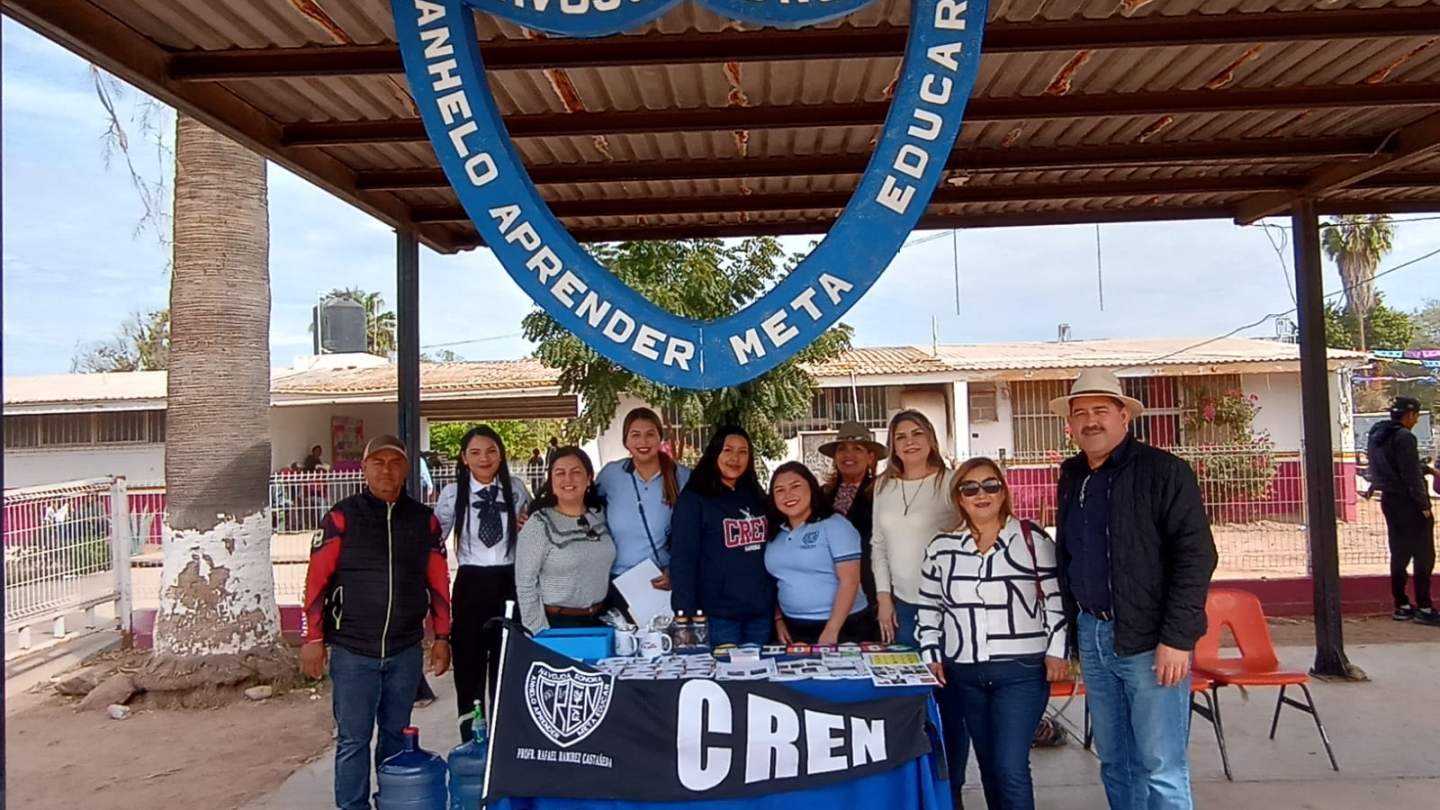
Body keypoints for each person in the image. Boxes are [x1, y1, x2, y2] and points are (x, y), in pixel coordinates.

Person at [1051, 369, 1217, 810]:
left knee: (1160, 765)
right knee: (1115, 761)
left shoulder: (1164, 472)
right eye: (1080, 413)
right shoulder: (1073, 476)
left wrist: (1177, 639)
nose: (1090, 421)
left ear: (1124, 416)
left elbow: (1196, 557)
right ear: (1069, 425)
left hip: (1149, 641)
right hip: (1093, 635)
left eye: (1101, 411)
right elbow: (1069, 556)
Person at [301, 435, 452, 810]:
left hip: (404, 651)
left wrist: (442, 636)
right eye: (378, 462)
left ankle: (392, 802)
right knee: (352, 740)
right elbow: (317, 581)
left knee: (395, 737)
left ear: (406, 469)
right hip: (353, 651)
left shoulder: (424, 521)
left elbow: (438, 583)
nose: (387, 470)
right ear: (365, 468)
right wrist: (313, 638)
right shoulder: (341, 517)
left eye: (396, 462)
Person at [919, 458, 1069, 810]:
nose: (981, 494)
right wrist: (931, 654)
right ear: (958, 497)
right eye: (969, 488)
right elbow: (929, 609)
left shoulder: (1032, 540)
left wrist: (1058, 650)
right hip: (964, 673)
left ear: (1004, 491)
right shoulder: (942, 548)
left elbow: (1056, 601)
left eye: (990, 485)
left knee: (1010, 766)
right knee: (988, 768)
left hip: (1021, 672)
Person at [434, 426, 532, 741]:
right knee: (469, 665)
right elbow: (435, 541)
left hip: (509, 583)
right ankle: (472, 740)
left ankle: (507, 741)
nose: (484, 458)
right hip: (471, 584)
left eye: (490, 451)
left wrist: (526, 526)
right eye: (475, 453)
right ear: (464, 459)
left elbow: (530, 531)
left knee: (507, 666)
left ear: (500, 453)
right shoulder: (452, 494)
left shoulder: (515, 489)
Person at [670, 425, 773, 646]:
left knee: (761, 678)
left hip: (760, 614)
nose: (735, 458)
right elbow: (683, 559)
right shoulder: (694, 499)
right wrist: (684, 615)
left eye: (743, 452)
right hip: (719, 617)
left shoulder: (756, 495)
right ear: (715, 453)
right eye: (728, 450)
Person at [872, 409, 958, 646]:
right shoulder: (882, 486)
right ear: (894, 446)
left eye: (917, 433)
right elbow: (878, 546)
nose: (909, 441)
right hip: (902, 604)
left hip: (946, 603)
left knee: (946, 678)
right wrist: (884, 598)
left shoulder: (951, 482)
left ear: (931, 438)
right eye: (900, 437)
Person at [516, 447, 617, 633]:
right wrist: (538, 632)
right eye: (560, 473)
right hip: (556, 625)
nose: (568, 479)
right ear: (551, 481)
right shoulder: (538, 524)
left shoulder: (601, 516)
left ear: (589, 478)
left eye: (576, 472)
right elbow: (525, 583)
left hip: (601, 622)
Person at [767, 462, 869, 644]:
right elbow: (774, 581)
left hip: (842, 626)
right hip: (793, 627)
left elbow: (850, 581)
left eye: (795, 486)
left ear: (812, 487)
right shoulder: (775, 533)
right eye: (779, 490)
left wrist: (832, 630)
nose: (788, 495)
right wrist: (779, 620)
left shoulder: (835, 525)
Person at [595, 408, 692, 589]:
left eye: (650, 434)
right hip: (618, 580)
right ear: (626, 440)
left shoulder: (682, 477)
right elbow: (582, 506)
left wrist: (677, 571)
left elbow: (695, 531)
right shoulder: (611, 475)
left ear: (659, 438)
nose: (643, 441)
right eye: (635, 435)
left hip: (663, 579)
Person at [1366, 396, 1440, 624]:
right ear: (1410, 415)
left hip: (1389, 500)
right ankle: (1425, 607)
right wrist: (1424, 506)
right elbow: (1409, 475)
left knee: (1399, 552)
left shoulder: (1379, 434)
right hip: (1409, 502)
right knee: (1424, 554)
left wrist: (1427, 469)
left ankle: (1402, 605)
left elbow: (1394, 465)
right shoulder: (1405, 437)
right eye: (1416, 416)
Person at [819, 420, 885, 636]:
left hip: (868, 589)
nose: (849, 455)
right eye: (842, 449)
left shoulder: (882, 493)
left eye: (857, 449)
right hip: (828, 591)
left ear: (871, 457)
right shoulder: (822, 495)